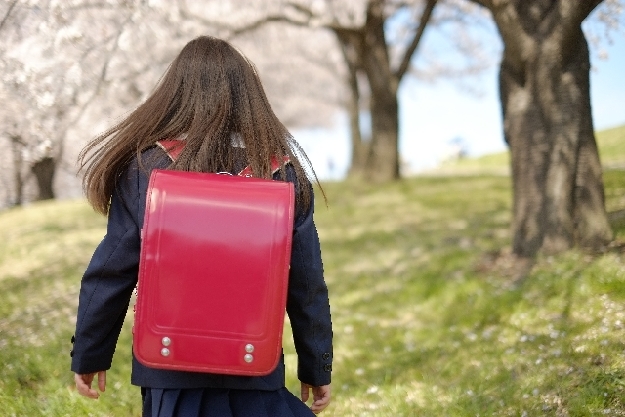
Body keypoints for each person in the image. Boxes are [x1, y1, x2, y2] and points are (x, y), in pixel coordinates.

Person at [70, 35, 333, 416]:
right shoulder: (282, 173)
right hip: (254, 368)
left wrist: (90, 353)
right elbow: (307, 284)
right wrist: (316, 365)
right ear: (250, 98)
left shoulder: (145, 168)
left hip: (169, 372)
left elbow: (111, 272)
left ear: (175, 95)